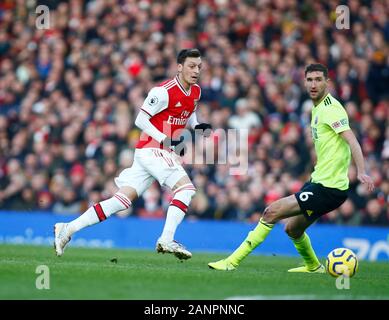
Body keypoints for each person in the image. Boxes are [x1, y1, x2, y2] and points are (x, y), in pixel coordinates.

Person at [208, 63, 375, 272]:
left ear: (327, 82)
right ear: (305, 82)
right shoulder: (316, 108)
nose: (313, 84)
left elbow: (352, 140)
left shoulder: (331, 109)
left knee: (271, 212)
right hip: (319, 182)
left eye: (318, 80)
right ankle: (314, 266)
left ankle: (231, 262)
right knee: (293, 229)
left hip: (329, 188)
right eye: (310, 80)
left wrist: (361, 171)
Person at [54, 49, 212, 260]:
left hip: (154, 152)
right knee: (186, 189)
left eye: (199, 66)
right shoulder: (162, 91)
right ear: (180, 67)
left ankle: (68, 229)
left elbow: (189, 113)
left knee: (121, 201)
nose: (196, 70)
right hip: (152, 148)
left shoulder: (195, 92)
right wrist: (165, 139)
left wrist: (198, 126)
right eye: (192, 66)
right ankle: (166, 239)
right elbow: (140, 120)